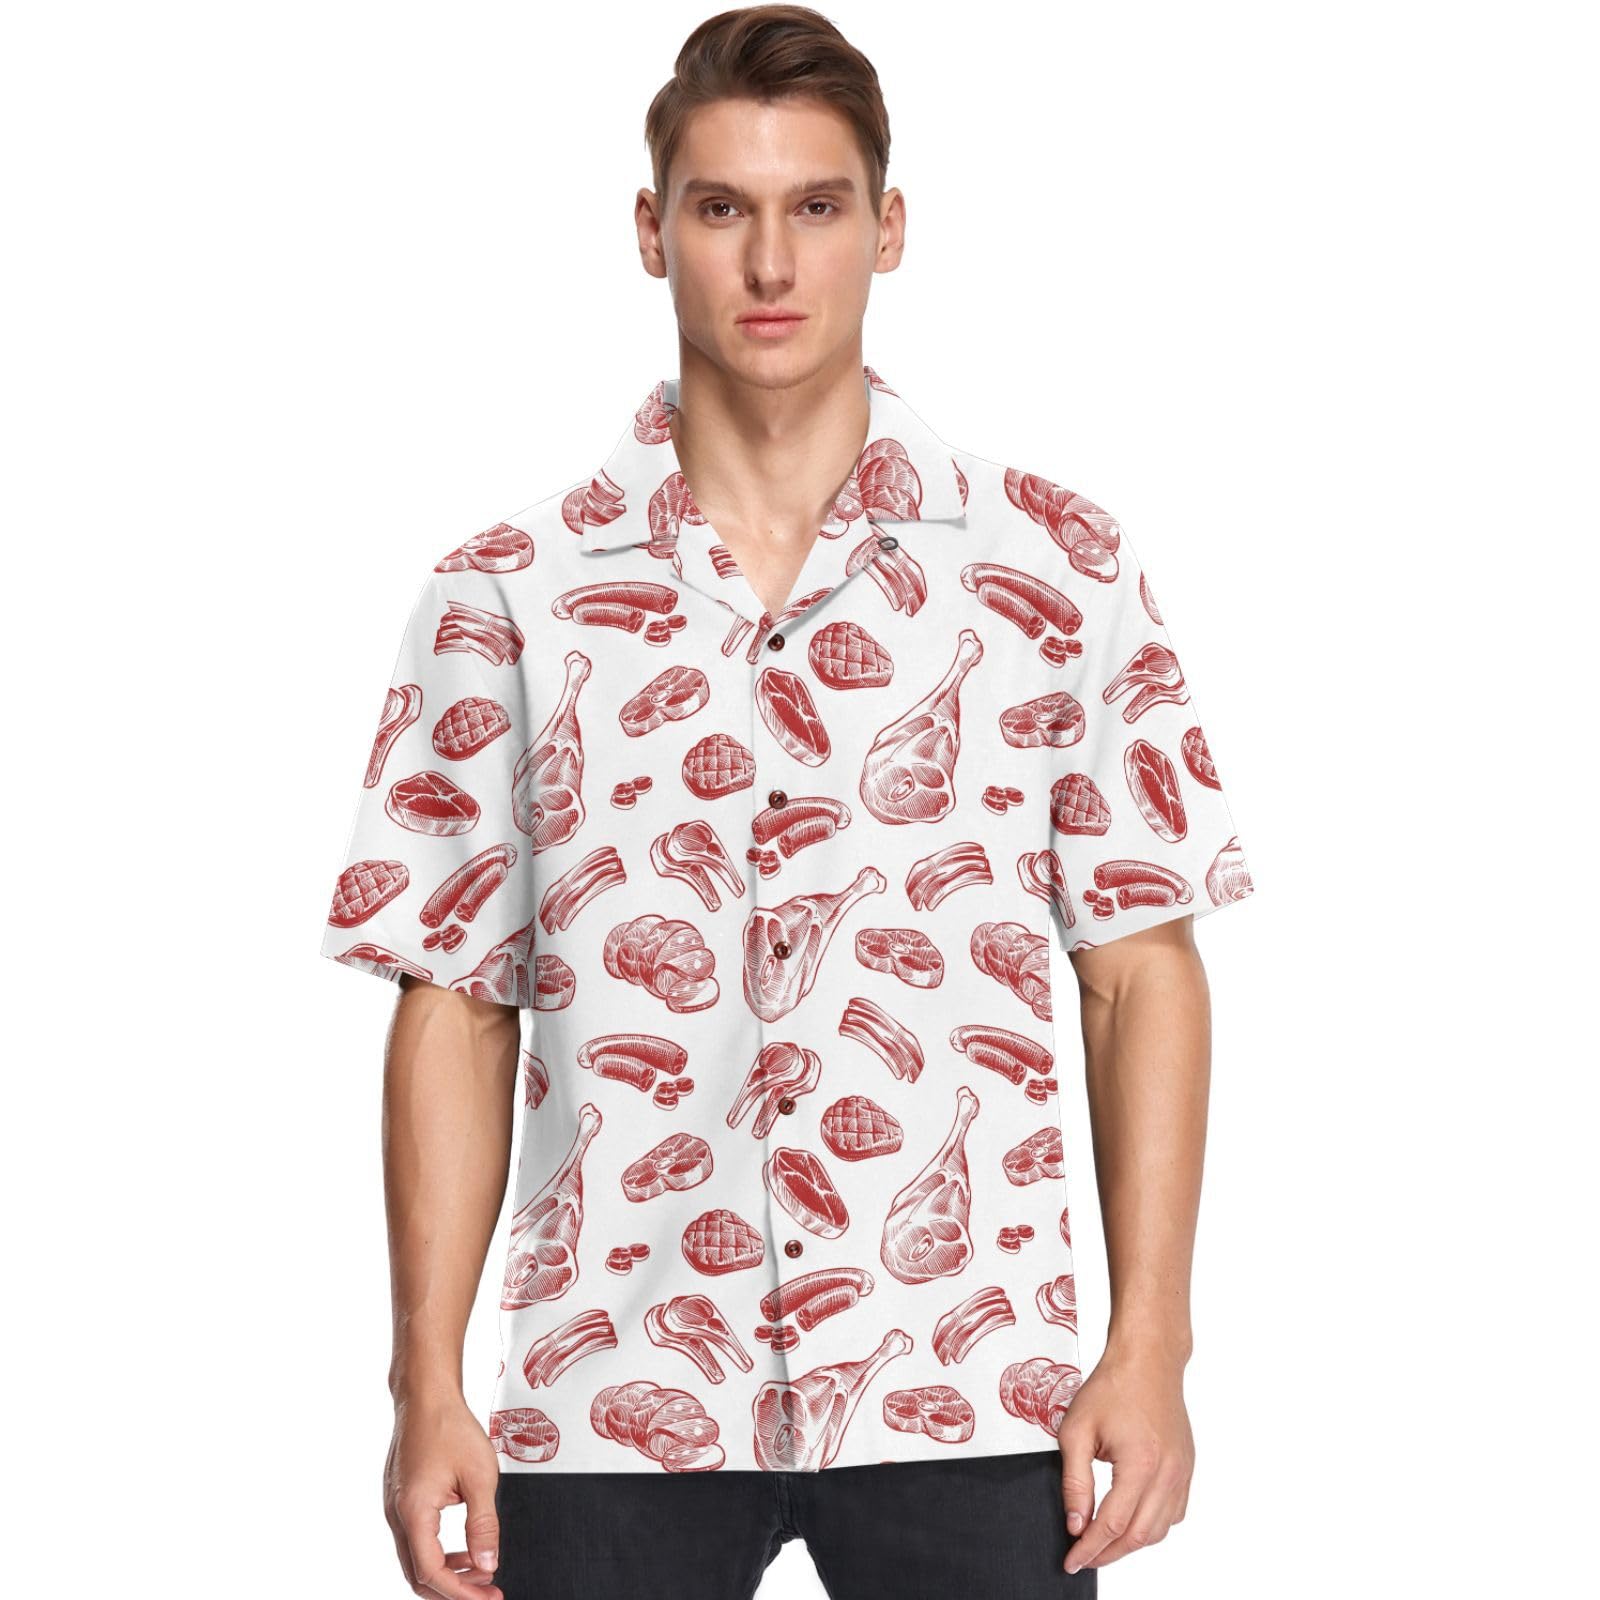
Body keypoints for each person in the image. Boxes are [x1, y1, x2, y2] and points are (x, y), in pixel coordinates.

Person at [318, 7, 1254, 1597]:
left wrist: (1151, 1343)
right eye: (721, 208)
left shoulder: (1058, 568)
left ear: (888, 228)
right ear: (650, 231)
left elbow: (1138, 973)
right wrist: (427, 1387)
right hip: (612, 1395)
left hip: (974, 1390)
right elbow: (453, 1004)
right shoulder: (506, 595)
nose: (769, 262)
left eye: (816, 207)